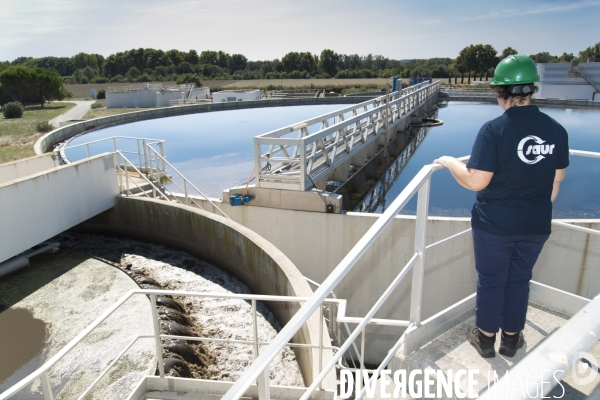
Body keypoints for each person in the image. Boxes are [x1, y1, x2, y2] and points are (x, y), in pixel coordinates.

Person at [433, 55, 569, 358]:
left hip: (494, 226)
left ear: (501, 93)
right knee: (520, 279)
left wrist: (448, 161)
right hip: (535, 224)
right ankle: (511, 340)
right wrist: (530, 209)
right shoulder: (556, 129)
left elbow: (476, 181)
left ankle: (485, 339)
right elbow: (556, 180)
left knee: (492, 281)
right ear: (531, 90)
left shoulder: (494, 130)